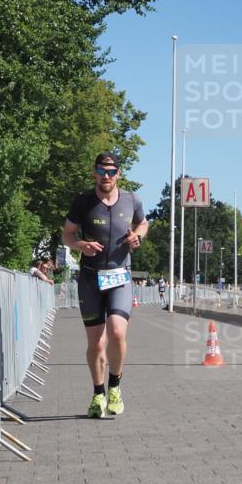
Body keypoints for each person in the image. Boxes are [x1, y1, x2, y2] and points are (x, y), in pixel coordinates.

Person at [62, 153, 148, 418]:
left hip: (120, 276)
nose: (106, 176)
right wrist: (79, 245)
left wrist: (137, 237)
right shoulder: (83, 202)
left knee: (118, 332)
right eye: (102, 171)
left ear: (119, 174)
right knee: (96, 344)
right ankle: (98, 394)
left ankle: (115, 386)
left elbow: (143, 223)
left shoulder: (131, 200)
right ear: (94, 173)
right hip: (90, 277)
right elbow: (67, 234)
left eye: (111, 171)